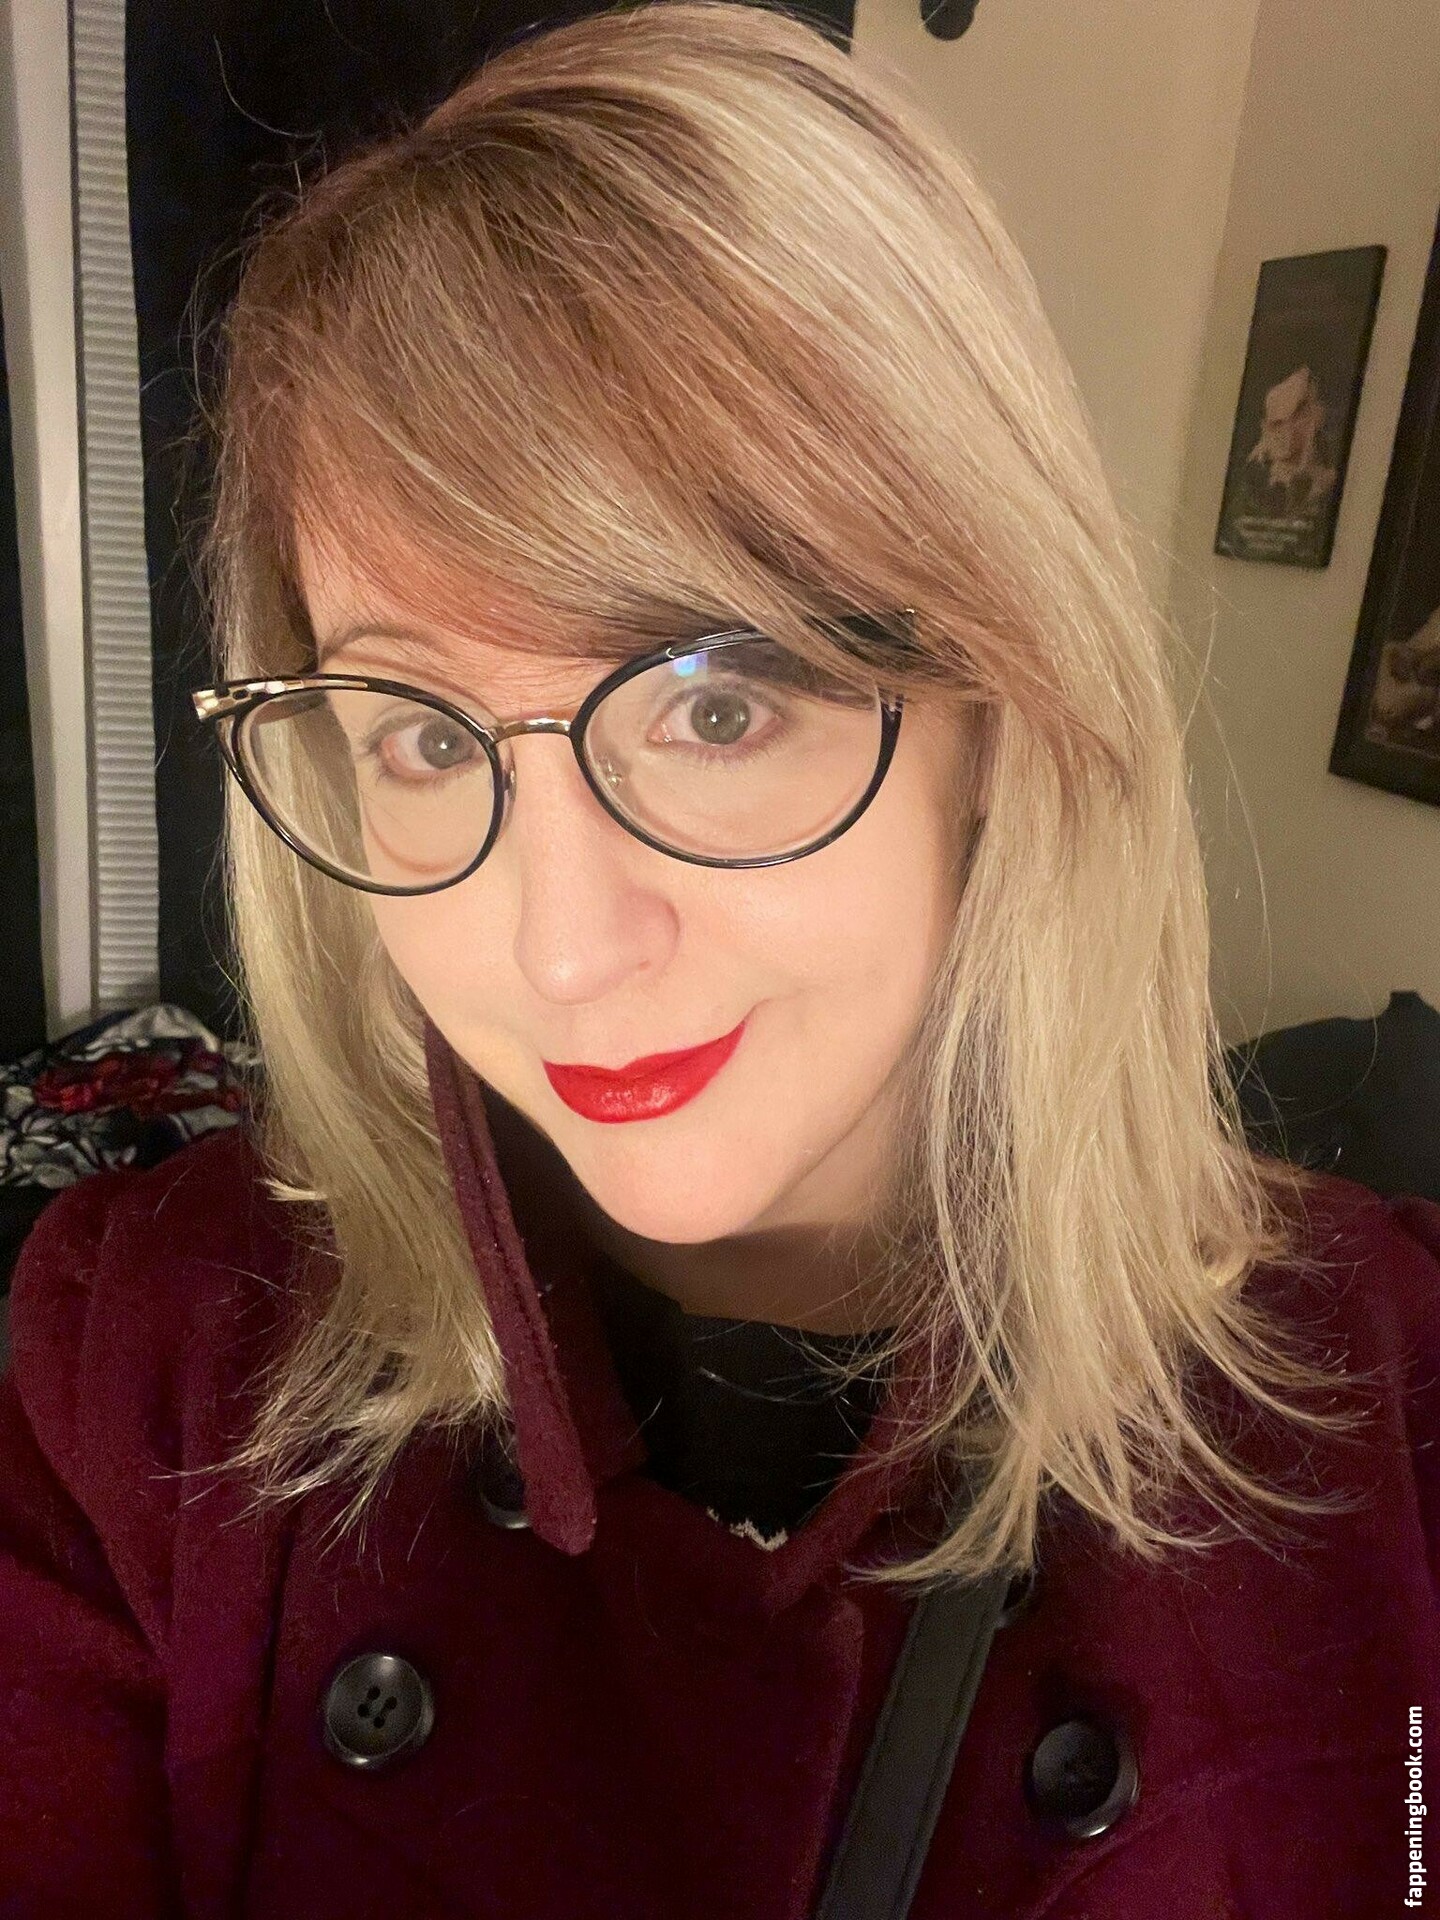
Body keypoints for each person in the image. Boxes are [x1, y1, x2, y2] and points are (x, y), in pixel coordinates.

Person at [2, 4, 1436, 1915]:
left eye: (718, 705)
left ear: (1001, 708)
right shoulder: (141, 1368)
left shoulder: (1392, 1414)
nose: (563, 949)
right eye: (423, 737)